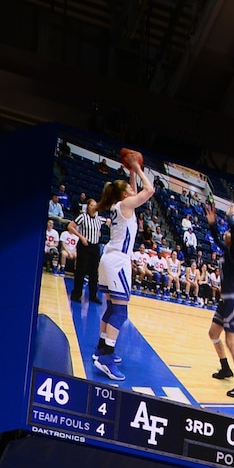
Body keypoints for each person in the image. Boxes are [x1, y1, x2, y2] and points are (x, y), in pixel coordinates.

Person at [92, 153, 155, 383]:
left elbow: (135, 189)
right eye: (129, 188)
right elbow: (150, 191)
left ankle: (101, 349)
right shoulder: (125, 203)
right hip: (118, 261)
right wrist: (138, 168)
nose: (132, 189)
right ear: (124, 194)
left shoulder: (121, 205)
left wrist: (131, 172)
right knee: (120, 312)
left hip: (109, 258)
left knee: (110, 307)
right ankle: (106, 359)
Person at [205, 196, 234, 398]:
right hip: (226, 301)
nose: (225, 234)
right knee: (213, 334)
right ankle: (226, 369)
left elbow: (233, 233)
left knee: (231, 343)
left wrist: (231, 217)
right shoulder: (225, 251)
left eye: (228, 233)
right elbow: (215, 238)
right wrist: (213, 223)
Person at [69, 199, 104, 307]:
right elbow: (70, 226)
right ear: (88, 207)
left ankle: (93, 295)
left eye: (95, 205)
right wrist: (81, 237)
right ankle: (76, 294)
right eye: (92, 205)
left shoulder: (99, 219)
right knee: (81, 270)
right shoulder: (83, 217)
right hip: (84, 245)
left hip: (95, 246)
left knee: (94, 272)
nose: (94, 207)